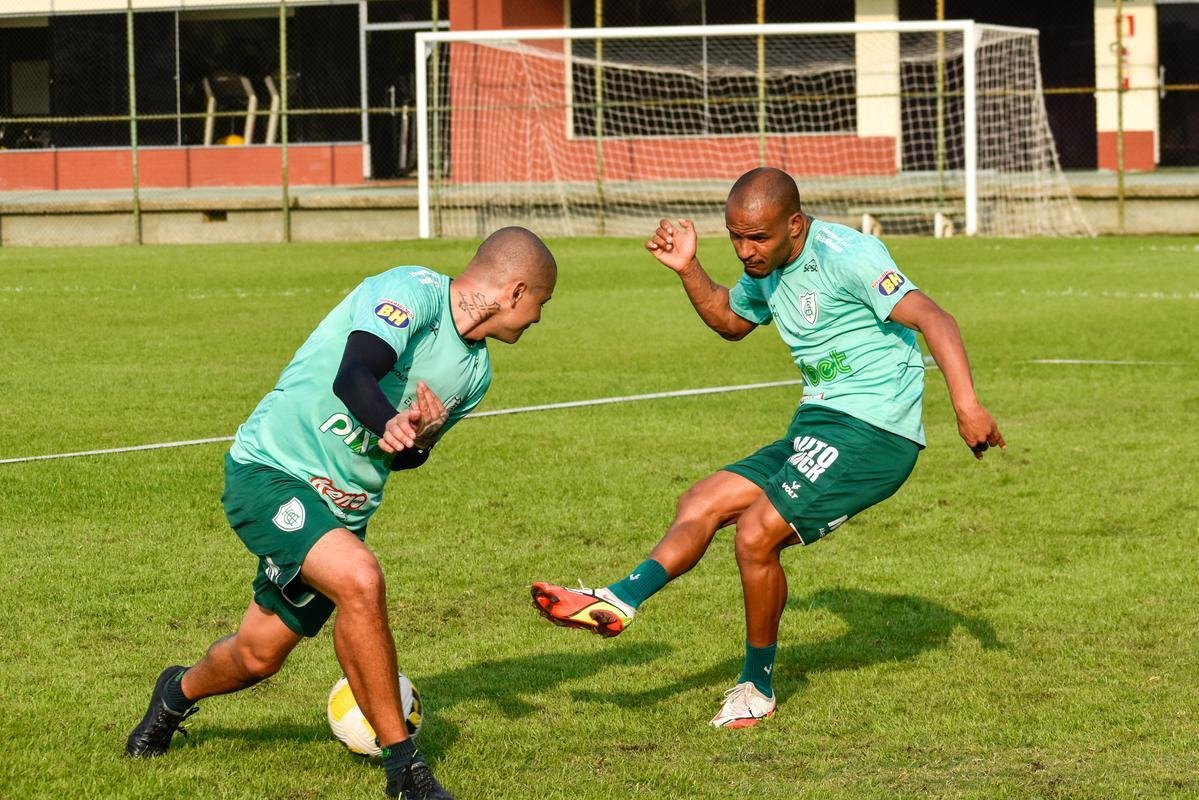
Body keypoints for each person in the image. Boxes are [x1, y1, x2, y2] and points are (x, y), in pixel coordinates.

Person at [531, 167, 1003, 729]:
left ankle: (756, 686)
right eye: (736, 237)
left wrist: (967, 405)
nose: (746, 251)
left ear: (795, 226)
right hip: (821, 423)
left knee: (756, 534)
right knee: (703, 499)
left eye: (758, 238)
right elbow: (732, 320)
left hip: (876, 431)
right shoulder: (766, 267)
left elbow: (933, 316)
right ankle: (619, 598)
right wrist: (689, 269)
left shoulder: (848, 255)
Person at [126, 227, 557, 799]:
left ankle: (175, 694)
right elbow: (353, 373)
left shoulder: (475, 375)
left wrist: (417, 442)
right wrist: (390, 423)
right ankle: (405, 769)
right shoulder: (411, 291)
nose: (537, 320)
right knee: (361, 578)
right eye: (540, 306)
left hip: (340, 512)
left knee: (258, 655)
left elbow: (406, 457)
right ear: (517, 290)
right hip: (270, 471)